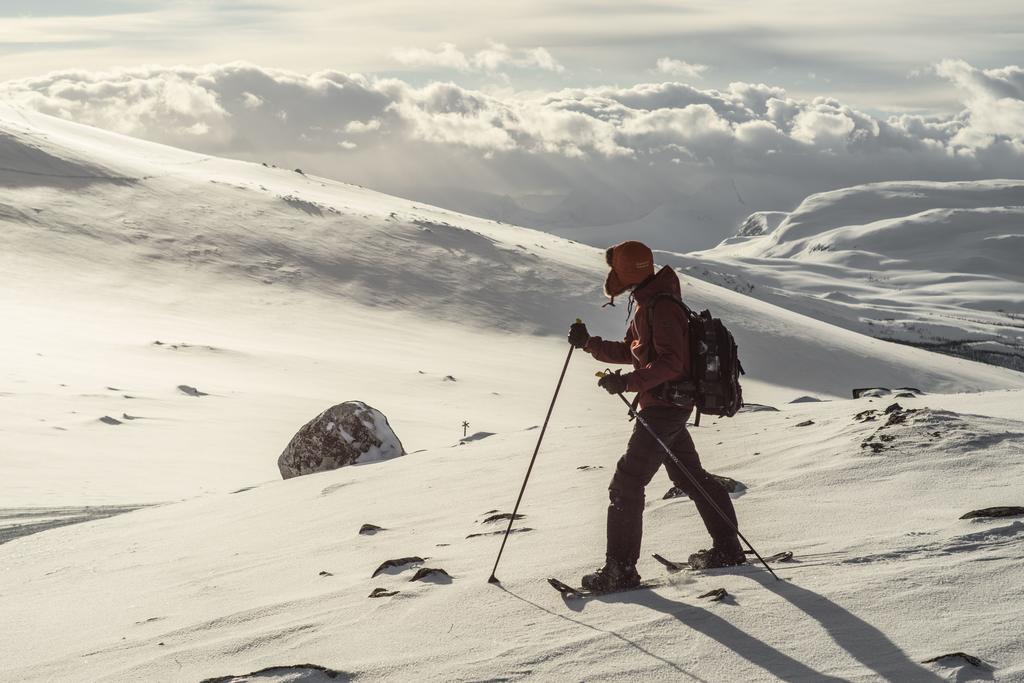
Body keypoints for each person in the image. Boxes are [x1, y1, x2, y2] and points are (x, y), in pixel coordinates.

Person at [568, 240, 745, 591]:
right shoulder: (648, 302)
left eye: (614, 269)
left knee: (627, 483)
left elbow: (671, 363)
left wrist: (629, 383)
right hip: (666, 405)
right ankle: (728, 549)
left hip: (666, 406)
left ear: (625, 271)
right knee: (690, 477)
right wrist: (590, 344)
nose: (611, 276)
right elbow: (632, 352)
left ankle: (621, 571)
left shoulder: (660, 307)